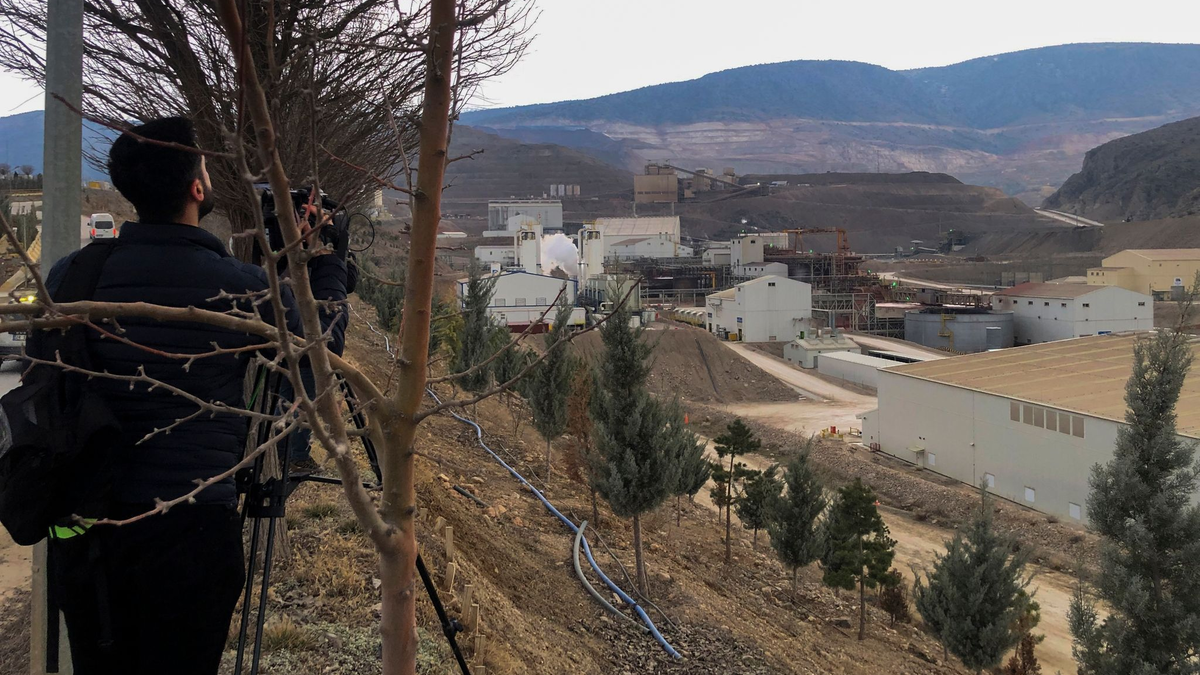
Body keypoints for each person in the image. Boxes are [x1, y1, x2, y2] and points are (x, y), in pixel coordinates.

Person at [41, 117, 348, 674]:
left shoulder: (71, 277)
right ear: (198, 188)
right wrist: (322, 267)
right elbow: (322, 355)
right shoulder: (239, 287)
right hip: (192, 528)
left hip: (88, 530)